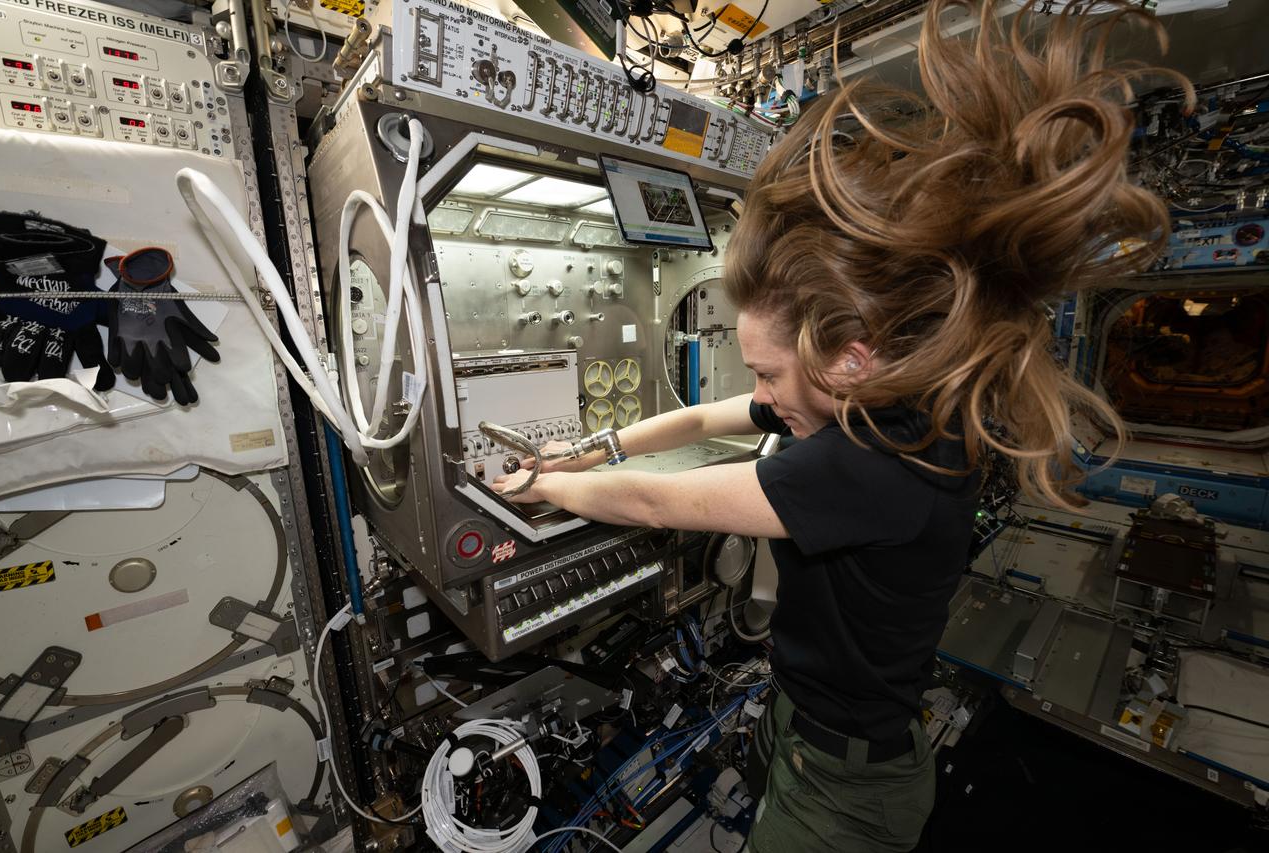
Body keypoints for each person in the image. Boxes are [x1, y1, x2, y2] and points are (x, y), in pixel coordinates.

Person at [492, 1, 1190, 849]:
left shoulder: (876, 463)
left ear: (850, 356)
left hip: (846, 791)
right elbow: (713, 415)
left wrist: (542, 486)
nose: (762, 390)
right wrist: (593, 445)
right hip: (816, 732)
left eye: (769, 371)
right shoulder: (891, 401)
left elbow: (657, 506)